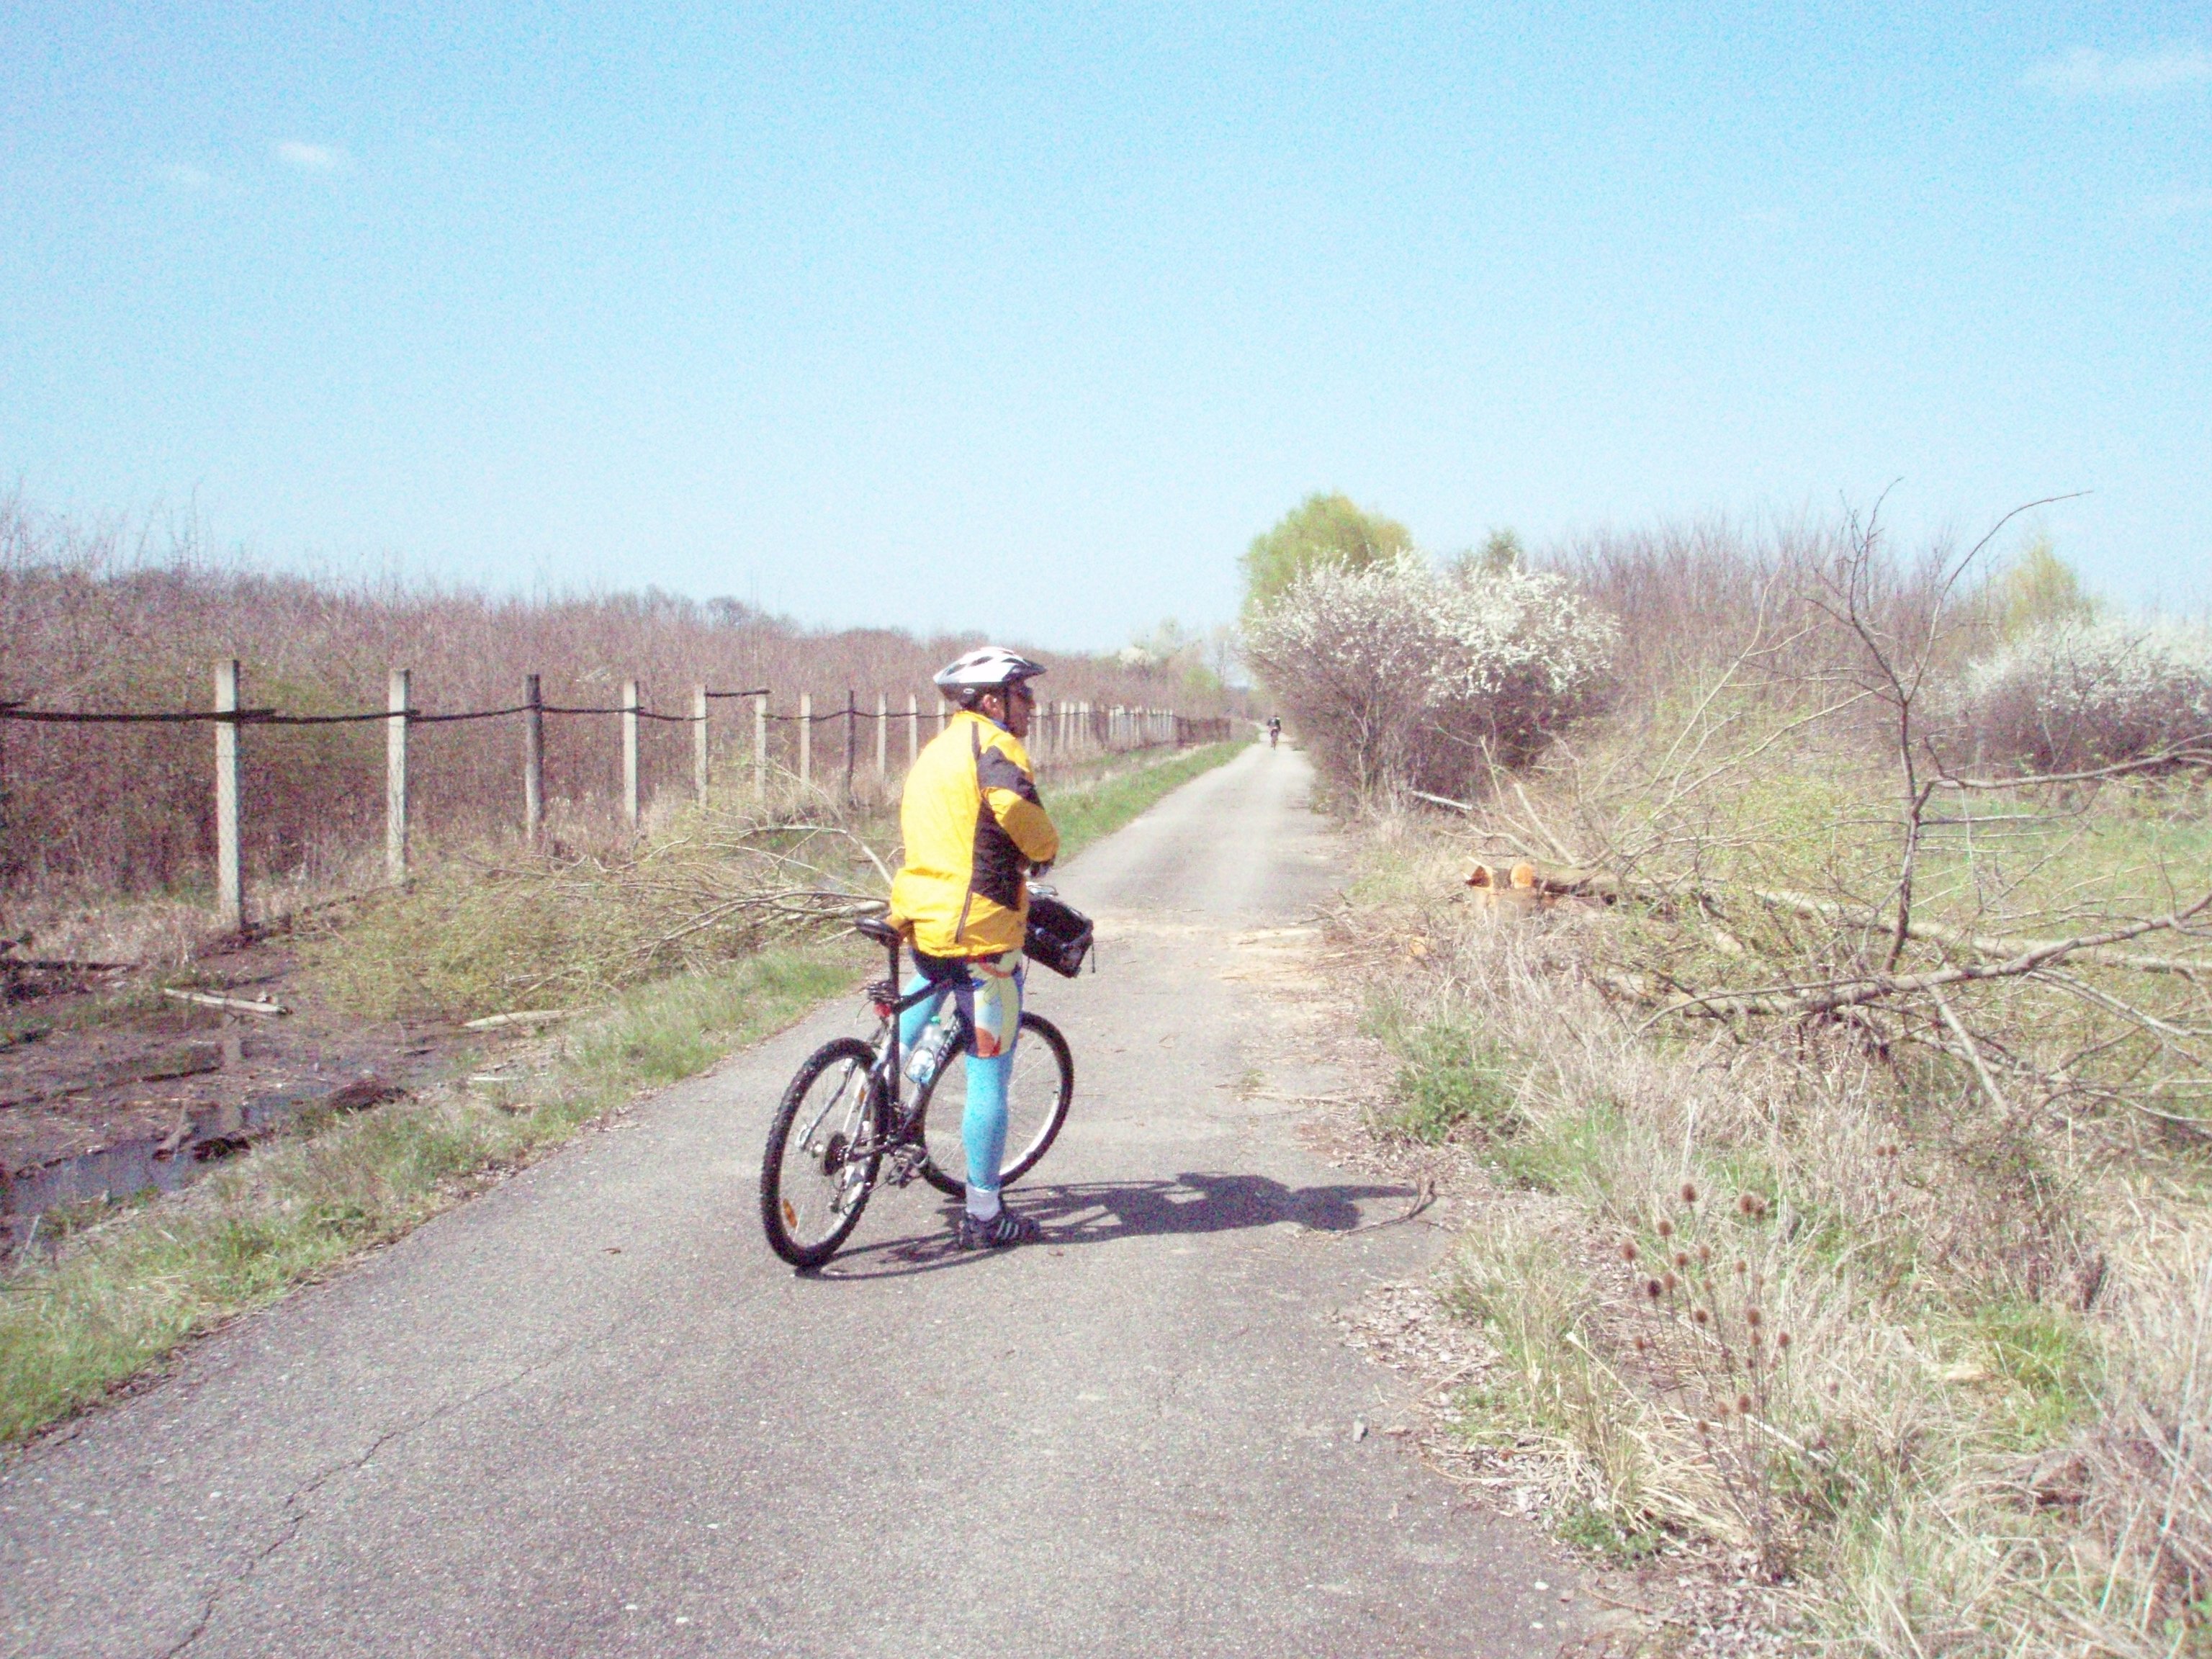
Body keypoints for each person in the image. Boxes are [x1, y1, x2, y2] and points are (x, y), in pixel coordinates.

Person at [887, 646, 1061, 1249]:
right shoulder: (995, 744)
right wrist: (1044, 847)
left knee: (926, 991)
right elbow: (1013, 806)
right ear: (993, 701)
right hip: (980, 930)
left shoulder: (935, 752)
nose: (1031, 705)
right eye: (1023, 694)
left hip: (923, 917)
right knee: (990, 1068)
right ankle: (985, 1213)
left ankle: (872, 1096)